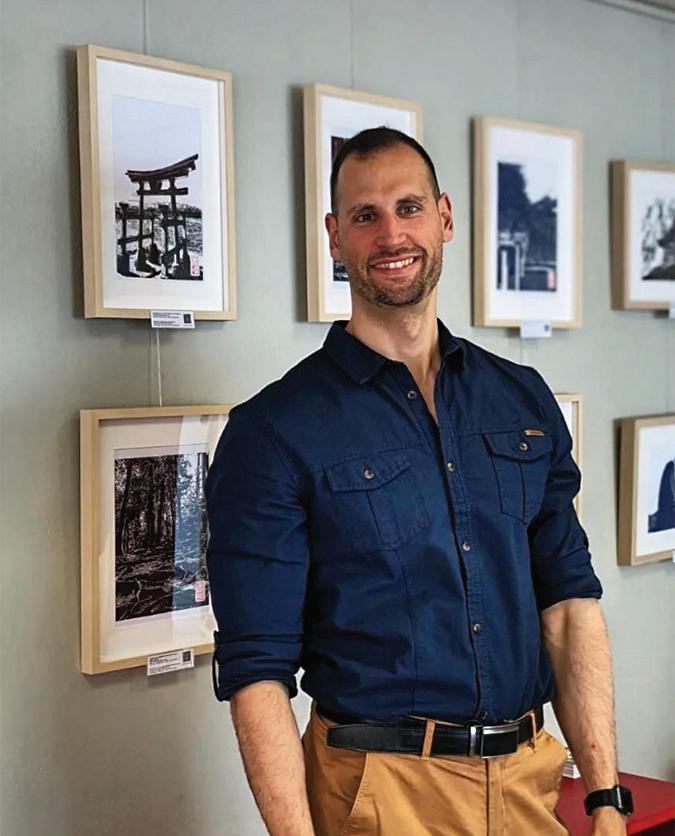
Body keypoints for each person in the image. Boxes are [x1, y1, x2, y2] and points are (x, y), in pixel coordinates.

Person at [206, 128, 630, 835]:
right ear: (334, 236)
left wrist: (605, 797)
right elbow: (257, 672)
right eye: (364, 215)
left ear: (445, 217)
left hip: (529, 782)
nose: (391, 234)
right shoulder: (272, 430)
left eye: (408, 208)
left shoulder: (521, 398)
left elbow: (568, 605)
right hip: (378, 792)